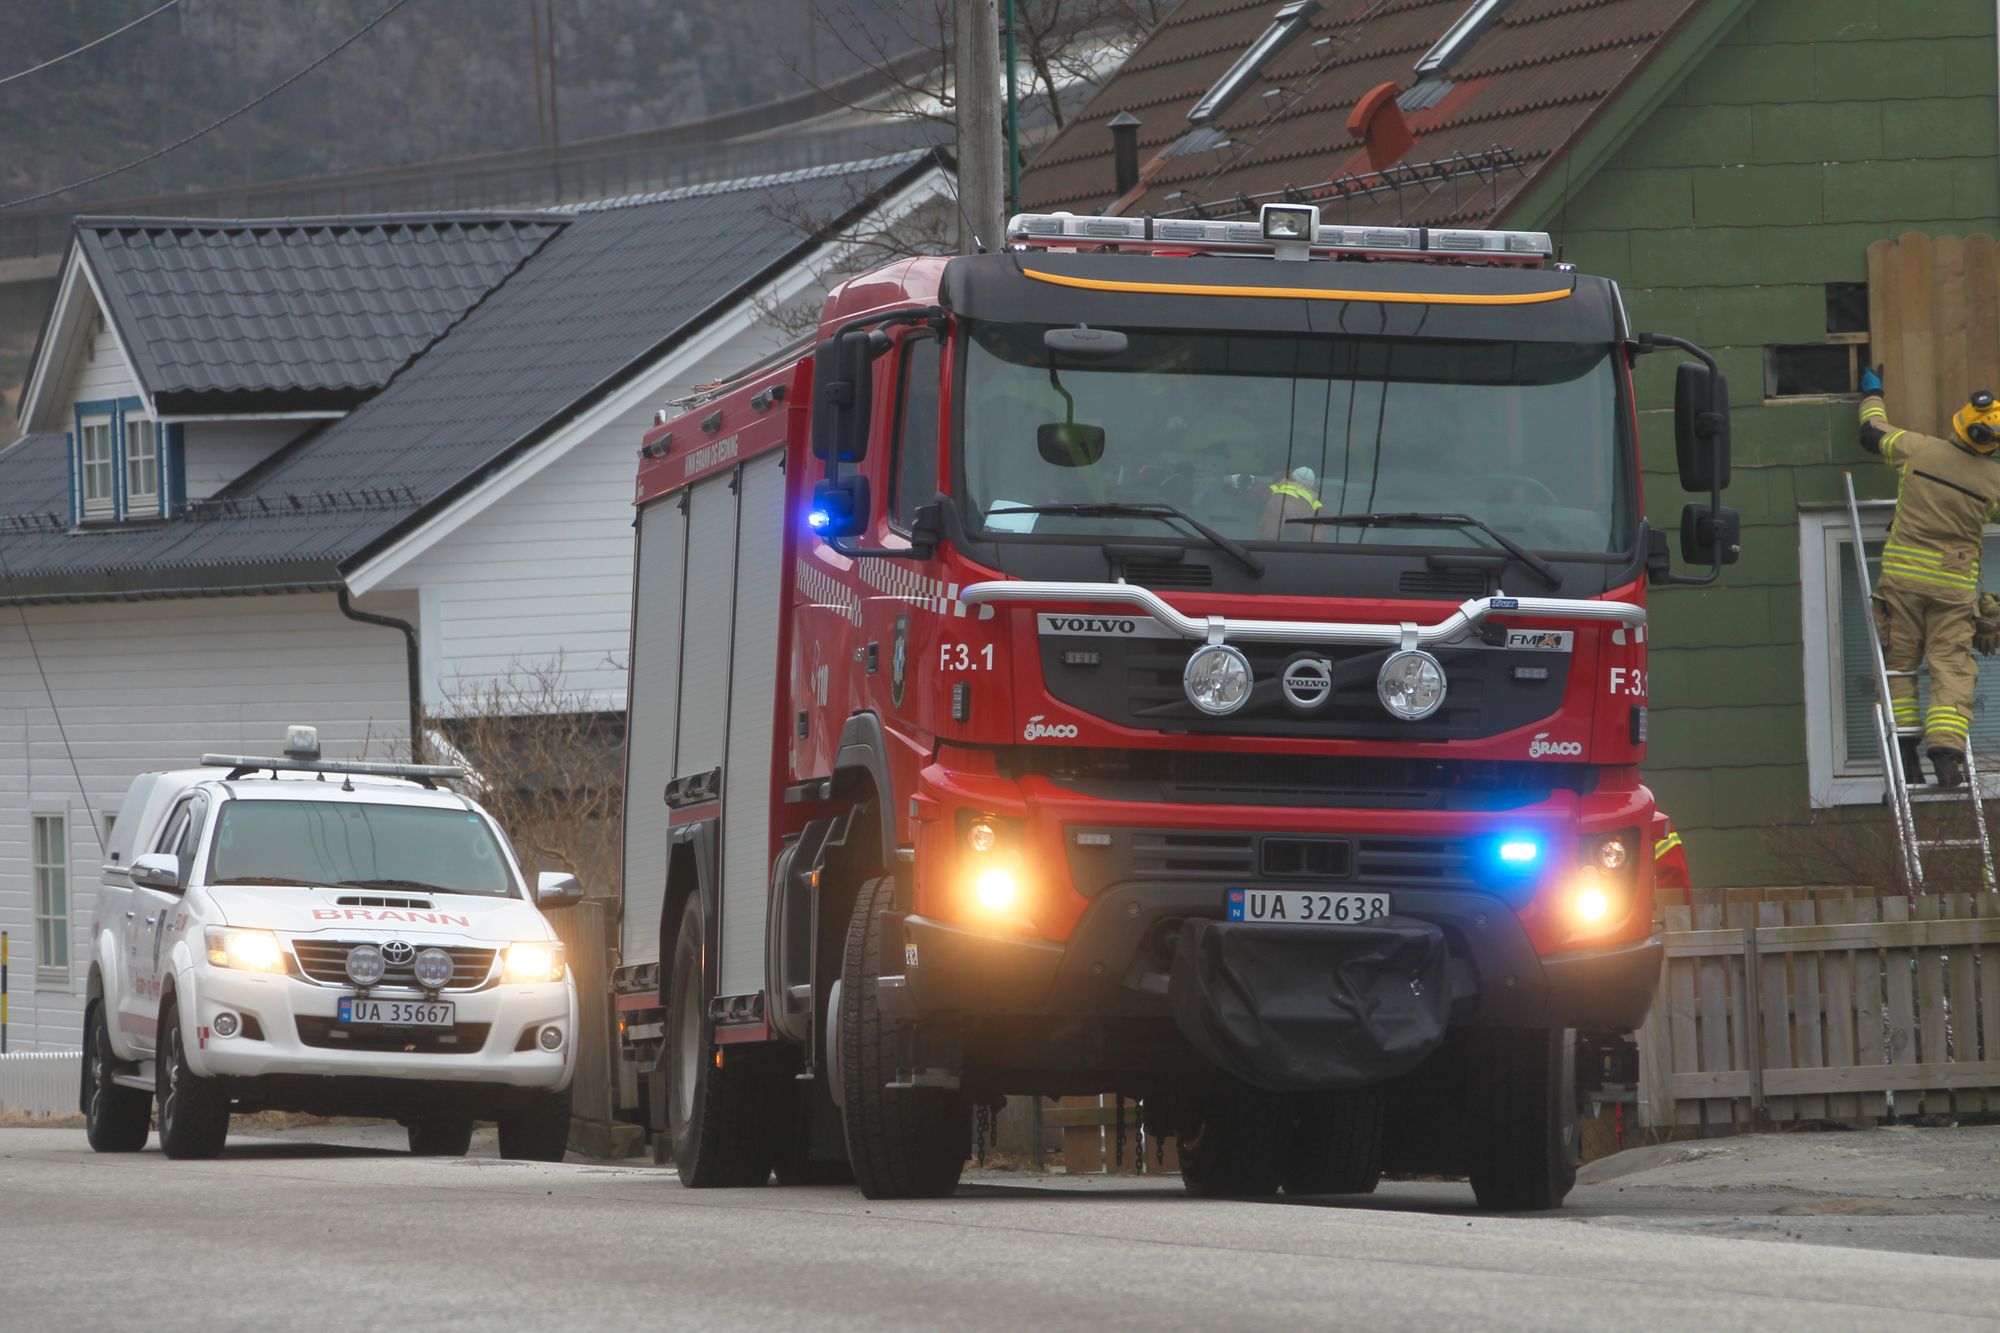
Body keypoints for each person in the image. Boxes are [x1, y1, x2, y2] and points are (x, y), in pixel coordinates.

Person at [1858, 366, 2000, 787]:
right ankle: (1947, 755)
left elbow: (1871, 433)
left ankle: (1906, 755)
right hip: (1953, 589)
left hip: (1901, 584)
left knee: (1900, 666)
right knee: (1951, 667)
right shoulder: (1994, 482)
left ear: (1960, 422)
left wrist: (1873, 395)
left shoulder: (1918, 450)